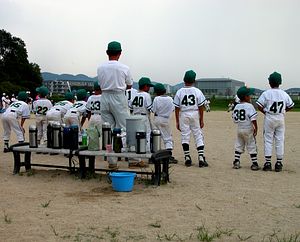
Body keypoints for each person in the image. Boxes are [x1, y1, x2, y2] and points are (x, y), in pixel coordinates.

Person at [256, 72, 294, 172]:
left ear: (270, 82)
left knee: (268, 139)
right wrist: (283, 110)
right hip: (280, 117)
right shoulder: (284, 94)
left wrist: (265, 112)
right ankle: (279, 163)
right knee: (280, 140)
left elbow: (259, 105)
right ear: (280, 82)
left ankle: (268, 163)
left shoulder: (266, 93)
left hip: (269, 117)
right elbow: (291, 105)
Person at [174, 70, 208, 167]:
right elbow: (201, 106)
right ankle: (201, 157)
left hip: (184, 114)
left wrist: (177, 121)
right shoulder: (197, 91)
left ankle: (187, 156)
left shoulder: (179, 91)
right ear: (194, 80)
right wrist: (201, 119)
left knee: (185, 135)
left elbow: (177, 108)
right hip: (194, 113)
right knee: (198, 134)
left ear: (184, 79)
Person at [97, 41, 133, 130]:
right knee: (124, 127)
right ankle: (123, 144)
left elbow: (99, 84)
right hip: (118, 97)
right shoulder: (124, 68)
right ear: (120, 53)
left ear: (107, 52)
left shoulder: (100, 67)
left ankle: (108, 144)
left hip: (104, 97)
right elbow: (129, 85)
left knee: (107, 128)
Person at [232, 86, 259, 170]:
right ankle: (254, 163)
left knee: (239, 144)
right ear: (246, 97)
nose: (250, 97)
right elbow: (253, 119)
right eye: (249, 95)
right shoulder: (249, 106)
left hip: (239, 128)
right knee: (251, 145)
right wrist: (256, 128)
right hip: (248, 129)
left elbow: (234, 119)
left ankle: (236, 161)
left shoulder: (237, 106)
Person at [151, 83, 178, 164]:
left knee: (155, 136)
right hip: (166, 119)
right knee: (168, 138)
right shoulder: (170, 99)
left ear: (156, 92)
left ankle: (154, 155)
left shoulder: (156, 99)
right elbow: (173, 109)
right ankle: (168, 156)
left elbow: (153, 110)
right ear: (164, 90)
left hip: (157, 118)